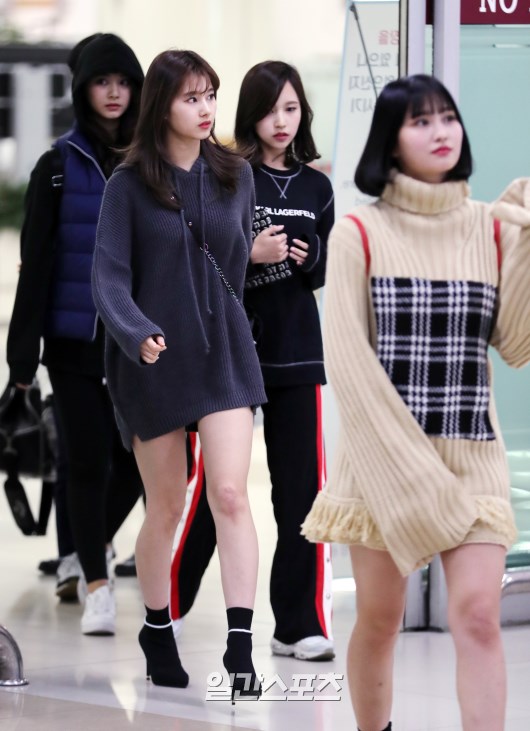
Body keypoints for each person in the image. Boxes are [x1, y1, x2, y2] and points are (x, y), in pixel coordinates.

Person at [301, 73, 530, 731]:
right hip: (383, 466)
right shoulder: (359, 232)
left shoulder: (489, 228)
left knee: (478, 616)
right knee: (381, 618)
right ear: (391, 140)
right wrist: (420, 479)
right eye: (421, 121)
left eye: (447, 118)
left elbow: (515, 344)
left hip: (473, 459)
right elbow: (351, 368)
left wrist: (527, 248)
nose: (440, 132)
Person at [91, 49, 267, 696]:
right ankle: (157, 627)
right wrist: (137, 332)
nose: (206, 108)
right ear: (161, 105)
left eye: (211, 95)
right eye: (191, 97)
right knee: (165, 505)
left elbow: (235, 266)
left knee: (230, 495)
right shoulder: (127, 184)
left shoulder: (235, 175)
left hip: (221, 354)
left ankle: (241, 645)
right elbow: (108, 276)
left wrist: (224, 323)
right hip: (154, 358)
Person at [169, 60, 335, 662]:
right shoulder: (224, 175)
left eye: (291, 109)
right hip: (232, 356)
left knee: (302, 497)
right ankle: (170, 606)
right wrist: (252, 255)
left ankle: (298, 624)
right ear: (250, 115)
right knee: (220, 492)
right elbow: (199, 264)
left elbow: (320, 272)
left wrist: (310, 256)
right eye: (269, 110)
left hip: (298, 355)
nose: (280, 122)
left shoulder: (318, 186)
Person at [6, 33, 145, 634]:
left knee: (139, 464)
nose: (113, 93)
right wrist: (21, 358)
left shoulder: (153, 162)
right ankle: (96, 586)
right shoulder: (58, 167)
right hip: (73, 344)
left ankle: (86, 549)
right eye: (101, 82)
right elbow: (36, 264)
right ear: (83, 89)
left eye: (123, 82)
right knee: (86, 462)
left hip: (140, 341)